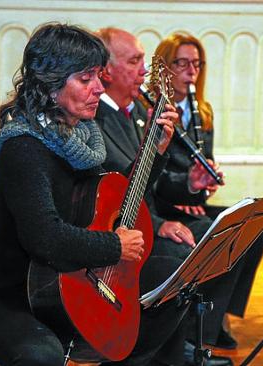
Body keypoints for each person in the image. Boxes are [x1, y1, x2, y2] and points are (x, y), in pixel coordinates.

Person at [0, 23, 187, 366]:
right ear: (51, 86)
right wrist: (114, 246)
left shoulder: (81, 138)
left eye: (98, 76)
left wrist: (153, 153)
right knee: (43, 356)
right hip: (9, 298)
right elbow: (45, 238)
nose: (99, 87)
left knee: (173, 283)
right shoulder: (23, 148)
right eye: (86, 79)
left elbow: (115, 199)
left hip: (71, 280)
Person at [94, 27, 233, 366]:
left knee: (231, 232)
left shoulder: (132, 113)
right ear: (107, 70)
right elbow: (112, 195)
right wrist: (159, 224)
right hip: (121, 232)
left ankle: (198, 337)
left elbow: (149, 184)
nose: (145, 70)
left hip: (147, 219)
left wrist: (190, 182)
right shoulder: (98, 116)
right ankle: (172, 347)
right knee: (182, 258)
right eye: (136, 60)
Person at [152, 32, 263, 349]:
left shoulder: (202, 111)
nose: (192, 70)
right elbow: (150, 174)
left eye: (197, 63)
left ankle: (217, 316)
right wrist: (185, 193)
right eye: (182, 63)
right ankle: (195, 330)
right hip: (162, 206)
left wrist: (202, 188)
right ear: (164, 67)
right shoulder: (151, 110)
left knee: (255, 225)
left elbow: (205, 165)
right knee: (217, 234)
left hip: (189, 201)